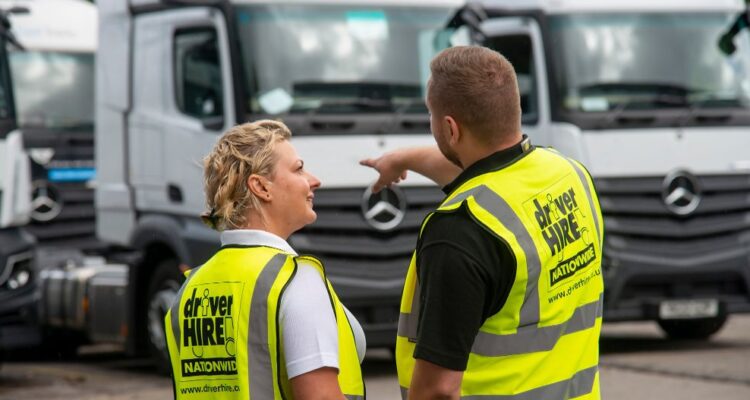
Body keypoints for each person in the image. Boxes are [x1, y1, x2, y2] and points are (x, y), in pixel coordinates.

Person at [361, 46, 604, 399]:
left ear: (450, 128)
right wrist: (405, 159)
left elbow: (438, 390)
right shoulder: (569, 175)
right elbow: (485, 171)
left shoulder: (459, 231)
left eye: (432, 116)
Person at [165, 120, 366, 399]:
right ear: (261, 187)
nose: (314, 180)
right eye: (299, 169)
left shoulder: (189, 290)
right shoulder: (295, 280)